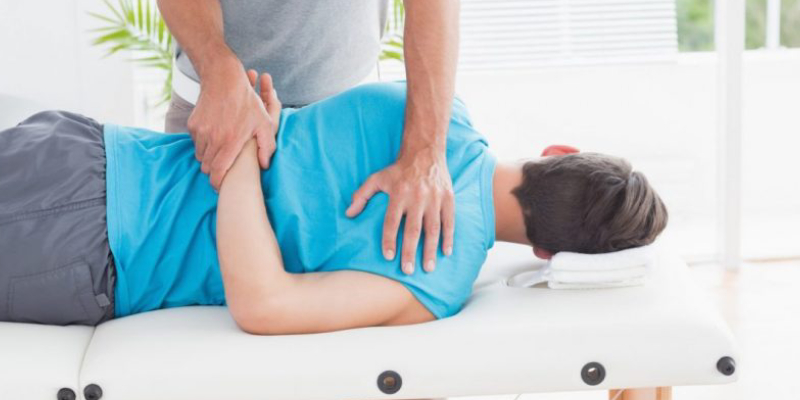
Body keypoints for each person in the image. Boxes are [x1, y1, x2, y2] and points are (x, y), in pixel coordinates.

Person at [0, 78, 668, 333]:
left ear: (559, 149)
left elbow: (267, 141)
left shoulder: (422, 108)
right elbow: (264, 305)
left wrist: (238, 148)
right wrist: (235, 160)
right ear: (552, 250)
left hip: (81, 147)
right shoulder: (435, 283)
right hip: (90, 248)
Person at [158, 1, 461, 277]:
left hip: (348, 127)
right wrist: (217, 68)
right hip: (217, 113)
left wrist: (426, 154)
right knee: (193, 290)